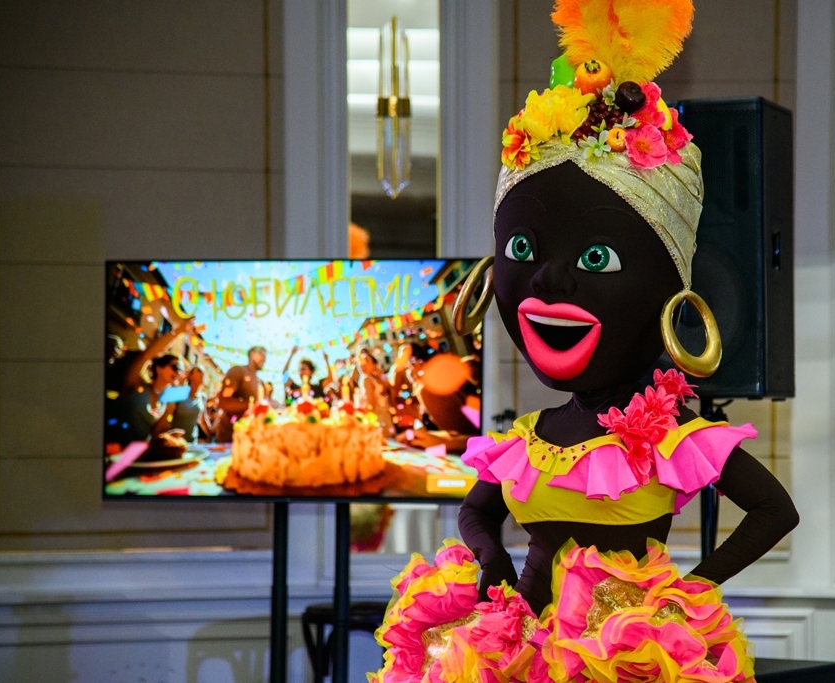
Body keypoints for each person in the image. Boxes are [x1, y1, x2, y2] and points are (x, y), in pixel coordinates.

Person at [370, 3, 798, 681]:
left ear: (673, 294)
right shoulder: (528, 438)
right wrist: (491, 558)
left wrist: (689, 589)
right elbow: (476, 511)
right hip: (518, 647)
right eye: (521, 250)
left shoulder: (669, 435)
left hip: (627, 656)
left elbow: (775, 510)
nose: (547, 280)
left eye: (597, 259)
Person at [214, 346, 266, 443]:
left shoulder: (261, 383)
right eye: (261, 355)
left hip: (251, 439)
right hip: (230, 438)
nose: (264, 359)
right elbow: (223, 402)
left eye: (265, 357)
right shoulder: (238, 371)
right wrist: (252, 406)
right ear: (252, 354)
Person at [171, 365, 207, 442]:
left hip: (192, 441)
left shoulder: (203, 397)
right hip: (176, 440)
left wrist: (210, 435)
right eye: (199, 370)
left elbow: (202, 420)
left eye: (203, 372)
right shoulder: (181, 393)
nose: (202, 373)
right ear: (190, 376)